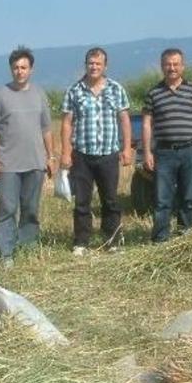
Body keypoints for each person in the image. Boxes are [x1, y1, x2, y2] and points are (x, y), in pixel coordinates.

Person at [0, 46, 56, 268]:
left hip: (35, 162)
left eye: (24, 67)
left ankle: (28, 247)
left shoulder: (39, 94)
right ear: (11, 69)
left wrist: (51, 156)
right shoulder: (0, 95)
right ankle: (7, 253)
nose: (19, 71)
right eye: (15, 67)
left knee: (31, 209)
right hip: (8, 165)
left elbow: (46, 129)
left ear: (31, 69)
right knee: (7, 209)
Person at [60, 47, 132, 256]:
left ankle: (112, 240)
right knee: (82, 201)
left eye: (98, 64)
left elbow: (125, 119)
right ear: (86, 65)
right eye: (91, 63)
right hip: (82, 154)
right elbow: (66, 123)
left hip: (109, 154)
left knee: (110, 199)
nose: (94, 67)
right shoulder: (74, 90)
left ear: (105, 66)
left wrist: (126, 147)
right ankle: (81, 241)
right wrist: (65, 152)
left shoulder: (116, 89)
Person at [142, 48, 192, 242]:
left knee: (188, 198)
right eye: (167, 64)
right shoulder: (154, 93)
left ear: (182, 66)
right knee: (162, 199)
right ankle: (161, 239)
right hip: (163, 152)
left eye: (175, 64)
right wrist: (147, 152)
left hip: (190, 150)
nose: (171, 68)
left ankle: (187, 238)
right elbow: (147, 124)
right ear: (162, 66)